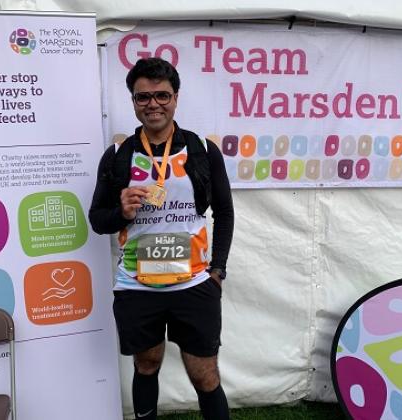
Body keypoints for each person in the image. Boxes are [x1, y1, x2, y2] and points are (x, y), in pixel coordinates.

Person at [89, 57, 234, 420]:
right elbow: (97, 220)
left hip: (194, 282)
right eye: (143, 98)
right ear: (133, 101)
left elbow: (225, 212)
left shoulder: (201, 149)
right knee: (147, 363)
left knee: (205, 374)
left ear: (175, 97)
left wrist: (217, 270)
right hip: (138, 285)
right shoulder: (119, 156)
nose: (153, 104)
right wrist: (121, 212)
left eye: (161, 95)